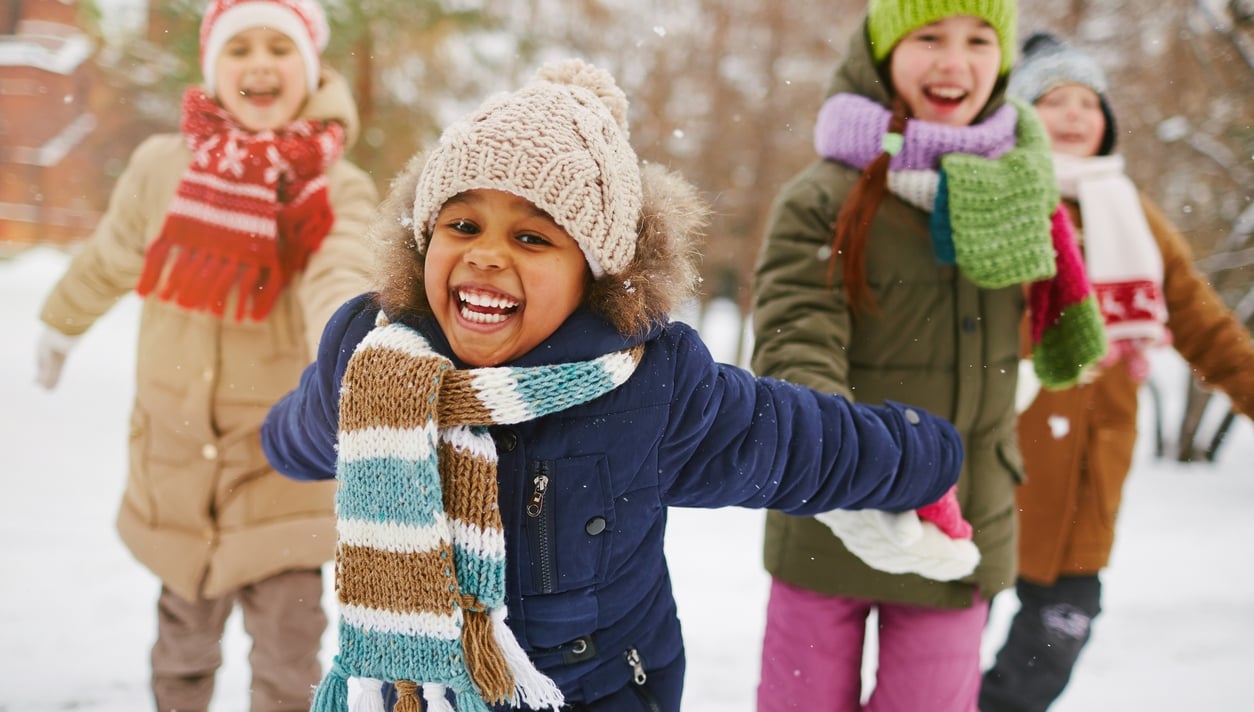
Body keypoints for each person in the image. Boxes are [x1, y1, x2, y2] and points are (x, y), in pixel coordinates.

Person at [259, 58, 969, 712]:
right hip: (424, 689)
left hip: (598, 690)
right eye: (463, 225)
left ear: (593, 274)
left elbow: (796, 442)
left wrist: (924, 457)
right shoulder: (377, 363)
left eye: (532, 238)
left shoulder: (650, 387)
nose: (486, 255)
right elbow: (311, 427)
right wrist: (273, 439)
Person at [749, 1, 1111, 710]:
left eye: (978, 40)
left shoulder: (1021, 190)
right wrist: (855, 467)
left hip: (963, 525)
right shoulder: (822, 197)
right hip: (833, 517)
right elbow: (796, 340)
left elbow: (1045, 320)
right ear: (883, 54)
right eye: (930, 37)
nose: (954, 62)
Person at [33, 0, 379, 709]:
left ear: (311, 69)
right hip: (178, 462)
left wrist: (348, 353)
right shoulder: (162, 169)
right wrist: (61, 324)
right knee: (181, 653)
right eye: (239, 49)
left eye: (279, 49)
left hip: (281, 466)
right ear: (213, 68)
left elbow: (340, 273)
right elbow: (110, 256)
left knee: (288, 658)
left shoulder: (334, 187)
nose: (259, 64)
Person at [979, 32, 1254, 712]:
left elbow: (1206, 327)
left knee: (1056, 639)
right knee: (945, 641)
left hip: (1088, 474)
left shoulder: (1134, 217)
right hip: (992, 462)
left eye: (1089, 102)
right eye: (1054, 100)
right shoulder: (992, 200)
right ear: (1019, 117)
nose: (1075, 114)